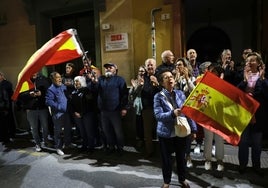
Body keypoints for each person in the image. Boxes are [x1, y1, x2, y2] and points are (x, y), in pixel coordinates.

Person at [154, 69, 197, 188]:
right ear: (162, 83)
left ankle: (182, 179)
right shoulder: (158, 97)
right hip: (166, 133)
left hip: (181, 131)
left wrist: (193, 129)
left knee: (181, 158)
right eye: (166, 78)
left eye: (171, 77)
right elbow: (158, 116)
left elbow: (188, 112)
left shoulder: (180, 94)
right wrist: (172, 113)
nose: (170, 79)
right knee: (166, 160)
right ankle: (166, 182)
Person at [237, 52, 268, 176]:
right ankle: (242, 165)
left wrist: (262, 78)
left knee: (256, 143)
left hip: (258, 115)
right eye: (248, 61)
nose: (249, 63)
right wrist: (244, 79)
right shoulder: (241, 75)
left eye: (252, 60)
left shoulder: (264, 78)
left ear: (259, 63)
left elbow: (265, 93)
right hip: (244, 114)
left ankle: (256, 166)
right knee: (243, 142)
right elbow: (236, 91)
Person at [93, 62, 128, 155]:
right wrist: (94, 82)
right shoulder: (101, 79)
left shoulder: (120, 80)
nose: (108, 69)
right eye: (106, 68)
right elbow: (95, 90)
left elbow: (124, 95)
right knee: (106, 131)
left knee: (118, 131)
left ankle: (120, 147)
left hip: (115, 110)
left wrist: (124, 108)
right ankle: (111, 146)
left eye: (110, 67)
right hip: (103, 111)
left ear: (115, 70)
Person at [18, 72, 51, 151]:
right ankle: (38, 144)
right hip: (31, 109)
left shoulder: (43, 80)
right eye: (32, 71)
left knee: (45, 127)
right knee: (34, 128)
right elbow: (21, 95)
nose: (34, 73)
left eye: (35, 71)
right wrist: (29, 94)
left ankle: (46, 141)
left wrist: (41, 93)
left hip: (42, 108)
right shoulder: (25, 82)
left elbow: (49, 92)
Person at [173, 58, 197, 168]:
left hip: (188, 111)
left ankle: (188, 156)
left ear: (185, 66)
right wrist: (176, 80)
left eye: (180, 65)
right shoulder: (175, 79)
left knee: (188, 135)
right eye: (177, 65)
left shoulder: (192, 78)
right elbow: (173, 93)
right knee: (178, 135)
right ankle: (179, 157)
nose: (179, 67)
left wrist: (187, 78)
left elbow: (194, 91)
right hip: (178, 111)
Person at [45, 72, 74, 156]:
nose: (60, 79)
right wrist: (59, 107)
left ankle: (67, 144)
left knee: (68, 129)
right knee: (58, 131)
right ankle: (58, 147)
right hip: (58, 114)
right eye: (57, 77)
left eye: (60, 77)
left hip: (66, 113)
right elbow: (48, 101)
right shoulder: (51, 89)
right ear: (53, 79)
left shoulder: (63, 86)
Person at [203, 63, 225, 171]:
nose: (214, 73)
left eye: (216, 71)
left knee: (219, 138)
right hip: (208, 114)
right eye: (212, 71)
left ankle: (219, 160)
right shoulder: (205, 83)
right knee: (208, 138)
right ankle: (208, 160)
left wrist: (221, 82)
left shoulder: (224, 84)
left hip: (220, 115)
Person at [141, 58, 161, 158]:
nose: (150, 67)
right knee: (147, 133)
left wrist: (157, 83)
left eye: (151, 65)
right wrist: (138, 86)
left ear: (155, 66)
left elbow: (164, 91)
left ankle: (163, 152)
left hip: (159, 109)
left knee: (160, 131)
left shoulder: (160, 76)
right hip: (147, 108)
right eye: (148, 65)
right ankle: (150, 151)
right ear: (145, 67)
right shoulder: (142, 78)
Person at [70, 76, 97, 153]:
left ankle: (91, 147)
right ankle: (84, 145)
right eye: (75, 81)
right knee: (82, 131)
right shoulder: (73, 92)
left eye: (77, 81)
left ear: (81, 82)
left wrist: (82, 113)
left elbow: (89, 103)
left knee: (89, 131)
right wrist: (75, 112)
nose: (76, 83)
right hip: (77, 115)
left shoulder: (87, 91)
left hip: (87, 114)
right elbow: (71, 104)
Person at [128, 65, 146, 147]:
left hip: (146, 105)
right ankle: (140, 139)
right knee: (139, 123)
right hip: (138, 106)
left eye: (143, 71)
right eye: (140, 71)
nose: (141, 73)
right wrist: (135, 87)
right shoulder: (135, 81)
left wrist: (138, 86)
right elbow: (131, 94)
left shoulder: (148, 81)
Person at [0, 71, 15, 142]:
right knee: (2, 122)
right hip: (2, 105)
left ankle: (11, 134)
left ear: (2, 76)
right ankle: (3, 136)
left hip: (6, 105)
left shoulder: (7, 84)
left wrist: (7, 106)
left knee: (9, 121)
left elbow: (10, 95)